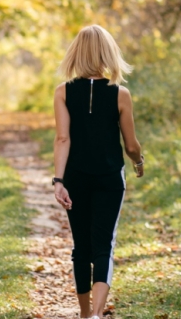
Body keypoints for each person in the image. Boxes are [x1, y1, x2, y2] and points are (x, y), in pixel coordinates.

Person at [52, 24, 144, 319]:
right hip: (109, 178)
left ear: (75, 53)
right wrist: (139, 161)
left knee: (81, 246)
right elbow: (130, 145)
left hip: (76, 177)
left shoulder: (63, 92)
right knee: (103, 244)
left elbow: (62, 139)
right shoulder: (121, 94)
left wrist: (58, 181)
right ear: (108, 53)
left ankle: (82, 314)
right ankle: (96, 315)